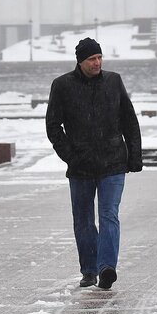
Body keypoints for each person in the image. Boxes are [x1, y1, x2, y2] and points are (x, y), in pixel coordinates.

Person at [46, 37, 143, 289]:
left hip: (112, 162)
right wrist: (71, 155)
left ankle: (107, 268)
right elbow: (53, 126)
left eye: (99, 58)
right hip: (81, 166)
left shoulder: (113, 81)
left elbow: (129, 120)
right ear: (80, 62)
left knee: (109, 214)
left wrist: (134, 156)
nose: (97, 62)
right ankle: (89, 270)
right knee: (84, 219)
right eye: (92, 59)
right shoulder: (62, 86)